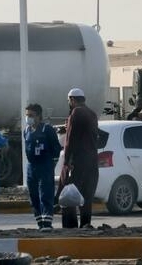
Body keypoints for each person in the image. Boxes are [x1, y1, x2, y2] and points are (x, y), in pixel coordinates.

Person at [58, 87, 99, 229]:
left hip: (78, 162)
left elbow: (70, 140)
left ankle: (70, 225)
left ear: (72, 100)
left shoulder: (76, 112)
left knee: (70, 194)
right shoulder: (92, 114)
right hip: (92, 161)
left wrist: (67, 161)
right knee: (87, 197)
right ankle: (86, 224)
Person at [23, 103, 62, 230]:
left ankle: (47, 223)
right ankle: (40, 222)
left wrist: (51, 164)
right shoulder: (26, 131)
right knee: (33, 196)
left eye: (31, 115)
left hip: (45, 166)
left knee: (45, 194)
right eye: (27, 115)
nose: (28, 118)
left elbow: (56, 149)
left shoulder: (47, 130)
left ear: (39, 116)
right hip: (31, 167)